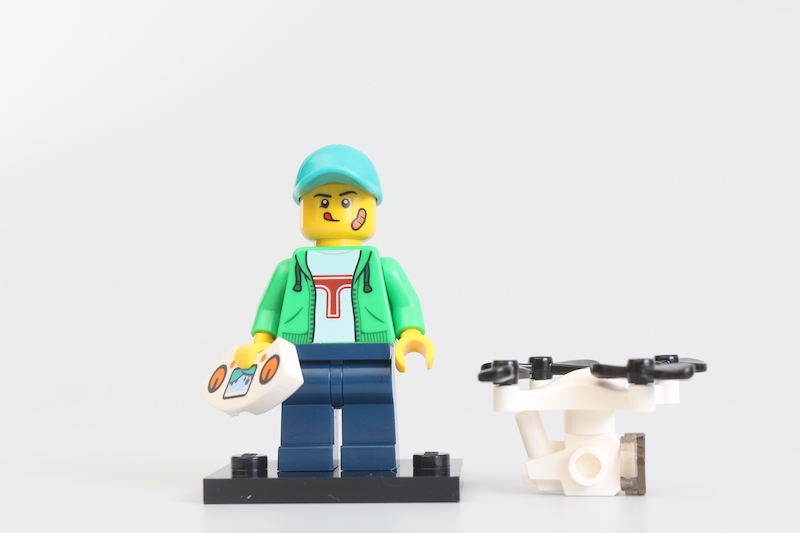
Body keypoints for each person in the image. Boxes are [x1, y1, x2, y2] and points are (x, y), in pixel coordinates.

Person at [233, 144, 434, 472]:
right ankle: (305, 465)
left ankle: (371, 464)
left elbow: (405, 302)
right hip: (301, 357)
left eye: (347, 201)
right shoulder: (290, 268)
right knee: (304, 411)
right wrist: (261, 341)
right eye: (322, 201)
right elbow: (270, 309)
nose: (334, 210)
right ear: (304, 208)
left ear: (370, 206)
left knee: (370, 408)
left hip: (368, 355)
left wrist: (411, 334)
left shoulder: (383, 266)